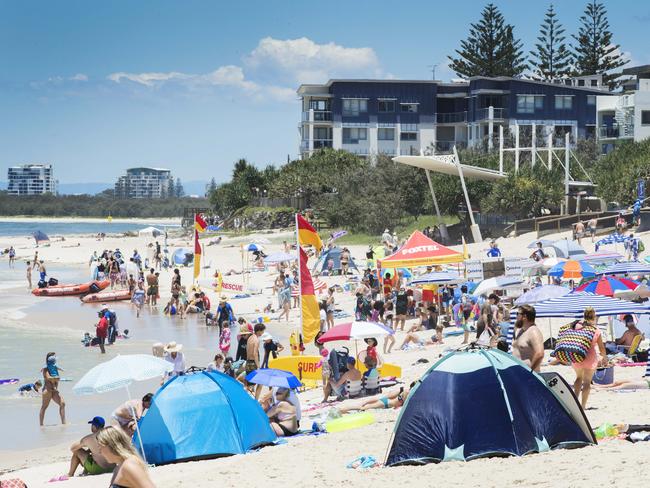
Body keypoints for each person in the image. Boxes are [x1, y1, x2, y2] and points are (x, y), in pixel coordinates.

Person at [571, 307, 607, 409]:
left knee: (578, 378)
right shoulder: (595, 330)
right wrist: (604, 358)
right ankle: (582, 406)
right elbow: (601, 347)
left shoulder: (577, 326)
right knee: (587, 381)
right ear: (594, 316)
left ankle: (575, 402)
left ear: (584, 315)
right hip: (590, 357)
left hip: (577, 355)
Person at [512, 305, 544, 372]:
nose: (516, 316)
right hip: (519, 374)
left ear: (524, 317)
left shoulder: (533, 332)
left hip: (528, 376)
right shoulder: (522, 331)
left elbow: (540, 353)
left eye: (518, 314)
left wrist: (530, 371)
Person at [337, 385, 410, 414]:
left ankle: (344, 409)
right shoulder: (408, 394)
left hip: (386, 401)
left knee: (364, 406)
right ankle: (343, 409)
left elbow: (389, 395)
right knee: (363, 408)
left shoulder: (404, 390)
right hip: (387, 403)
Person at [40, 352, 66, 426]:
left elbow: (57, 379)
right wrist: (56, 378)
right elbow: (48, 377)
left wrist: (56, 378)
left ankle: (64, 423)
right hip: (47, 390)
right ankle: (41, 425)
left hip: (54, 390)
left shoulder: (54, 368)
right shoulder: (46, 369)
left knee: (62, 403)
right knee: (44, 407)